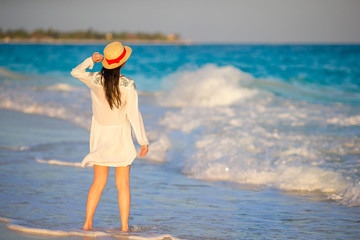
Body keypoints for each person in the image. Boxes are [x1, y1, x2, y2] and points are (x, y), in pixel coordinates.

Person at [71, 42, 149, 232]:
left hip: (100, 135)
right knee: (122, 184)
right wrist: (142, 140)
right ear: (123, 63)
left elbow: (75, 72)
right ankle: (124, 227)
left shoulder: (95, 79)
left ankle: (87, 223)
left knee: (98, 182)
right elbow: (133, 114)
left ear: (105, 62)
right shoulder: (128, 85)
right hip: (120, 136)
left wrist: (91, 60)